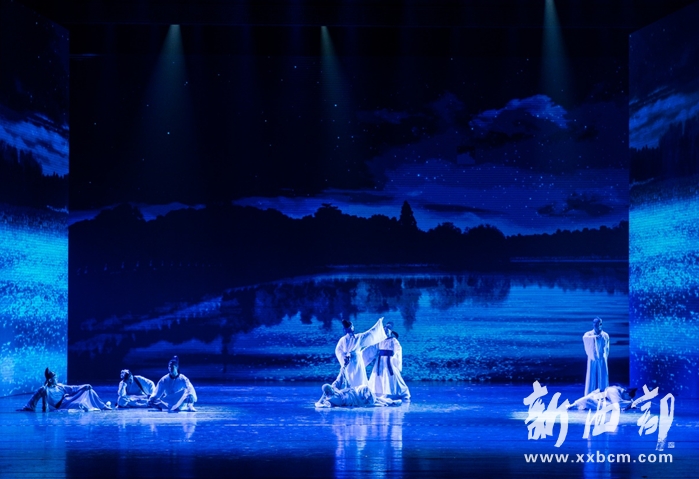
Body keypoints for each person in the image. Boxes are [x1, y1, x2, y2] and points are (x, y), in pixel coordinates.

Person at [332, 317, 387, 391]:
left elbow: (369, 334)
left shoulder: (357, 337)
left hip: (356, 360)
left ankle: (360, 391)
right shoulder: (344, 339)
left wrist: (378, 324)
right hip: (349, 360)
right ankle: (352, 391)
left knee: (358, 375)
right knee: (350, 376)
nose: (351, 328)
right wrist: (344, 358)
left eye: (351, 327)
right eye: (350, 327)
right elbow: (338, 350)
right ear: (348, 329)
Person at [19, 368, 111, 412]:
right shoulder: (44, 389)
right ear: (50, 380)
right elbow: (34, 399)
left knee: (88, 390)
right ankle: (95, 408)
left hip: (67, 400)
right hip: (61, 406)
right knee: (81, 405)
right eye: (55, 378)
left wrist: (84, 386)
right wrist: (28, 407)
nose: (57, 379)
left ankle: (103, 406)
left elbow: (72, 388)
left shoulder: (59, 386)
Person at [364, 322, 411, 400]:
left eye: (388, 328)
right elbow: (372, 349)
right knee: (378, 375)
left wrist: (395, 358)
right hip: (380, 361)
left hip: (389, 361)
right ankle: (378, 393)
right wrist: (362, 353)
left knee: (389, 375)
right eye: (385, 328)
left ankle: (391, 392)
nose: (386, 330)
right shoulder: (379, 340)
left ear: (390, 331)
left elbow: (398, 350)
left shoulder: (393, 340)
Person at [315, 383, 401, 408]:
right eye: (331, 388)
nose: (333, 389)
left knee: (366, 390)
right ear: (327, 391)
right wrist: (323, 396)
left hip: (354, 393)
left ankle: (391, 402)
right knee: (365, 389)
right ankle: (391, 403)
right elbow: (318, 404)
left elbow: (337, 386)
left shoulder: (335, 393)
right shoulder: (329, 399)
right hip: (353, 399)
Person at [583, 317, 610, 395]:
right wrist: (594, 338)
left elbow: (607, 347)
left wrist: (604, 356)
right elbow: (585, 338)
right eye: (594, 323)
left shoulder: (605, 335)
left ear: (600, 324)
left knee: (603, 375)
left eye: (597, 323)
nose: (595, 325)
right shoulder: (589, 334)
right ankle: (590, 393)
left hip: (602, 357)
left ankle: (603, 393)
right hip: (592, 357)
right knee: (591, 375)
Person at [569, 385, 637, 411]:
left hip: (604, 401)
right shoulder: (613, 390)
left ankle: (575, 405)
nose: (628, 399)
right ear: (627, 394)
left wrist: (631, 403)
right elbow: (617, 404)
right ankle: (573, 405)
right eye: (629, 398)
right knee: (587, 399)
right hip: (597, 400)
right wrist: (631, 403)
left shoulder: (618, 392)